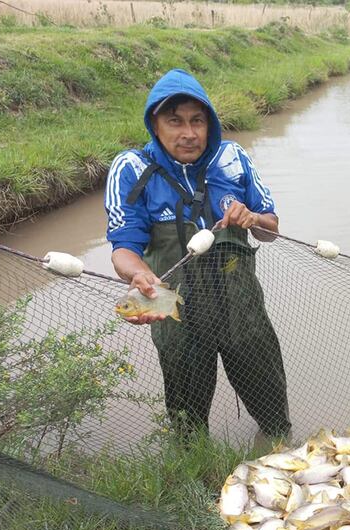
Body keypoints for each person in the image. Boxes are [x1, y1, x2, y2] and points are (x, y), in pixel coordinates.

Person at [104, 68, 291, 442]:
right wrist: (138, 276)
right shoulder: (131, 168)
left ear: (210, 124)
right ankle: (193, 463)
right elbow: (124, 248)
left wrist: (252, 217)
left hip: (240, 304)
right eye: (175, 121)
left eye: (197, 121)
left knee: (267, 391)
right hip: (174, 306)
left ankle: (277, 444)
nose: (188, 133)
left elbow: (270, 230)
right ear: (154, 124)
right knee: (186, 416)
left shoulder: (233, 157)